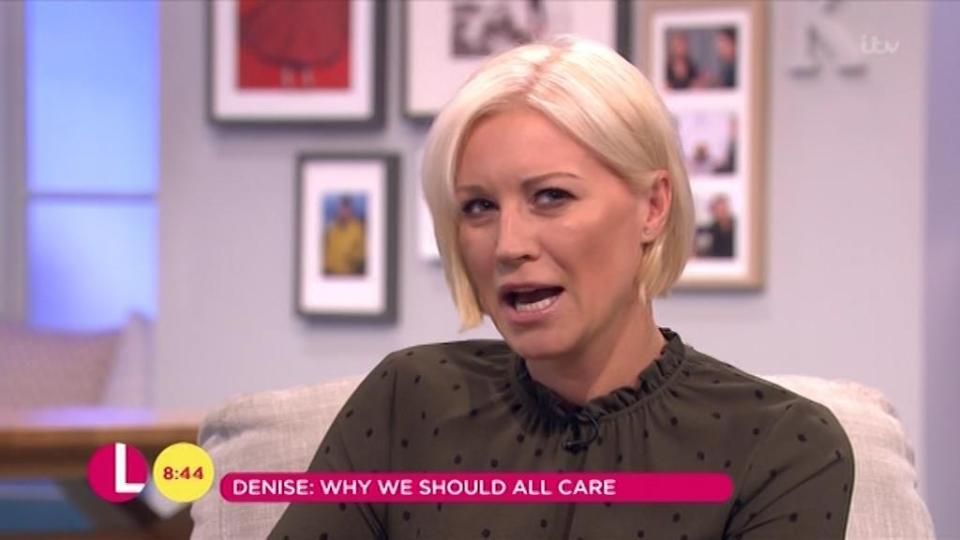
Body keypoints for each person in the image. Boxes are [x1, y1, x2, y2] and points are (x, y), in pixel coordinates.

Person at [270, 37, 854, 539]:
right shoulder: (408, 398)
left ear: (653, 207)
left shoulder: (783, 447)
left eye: (551, 196)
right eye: (478, 207)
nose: (508, 245)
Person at [322, 196, 366, 276]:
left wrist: (349, 257)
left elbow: (361, 254)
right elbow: (326, 248)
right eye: (341, 209)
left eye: (346, 209)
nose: (343, 212)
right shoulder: (332, 227)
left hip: (348, 274)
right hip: (329, 273)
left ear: (350, 210)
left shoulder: (357, 229)